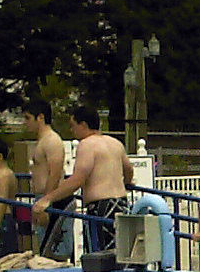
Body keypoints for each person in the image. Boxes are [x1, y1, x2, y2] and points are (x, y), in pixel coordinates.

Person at [36, 106, 133, 254]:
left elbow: (77, 180)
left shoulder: (87, 145)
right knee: (121, 252)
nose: (72, 130)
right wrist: (126, 183)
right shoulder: (115, 143)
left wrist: (47, 199)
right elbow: (129, 170)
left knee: (99, 256)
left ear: (83, 125)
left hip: (101, 207)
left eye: (73, 126)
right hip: (121, 204)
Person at [24, 99, 68, 257]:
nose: (25, 123)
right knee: (44, 251)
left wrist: (46, 201)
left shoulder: (51, 140)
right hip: (44, 198)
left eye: (28, 118)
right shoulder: (42, 141)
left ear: (40, 117)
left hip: (52, 199)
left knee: (54, 252)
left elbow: (55, 173)